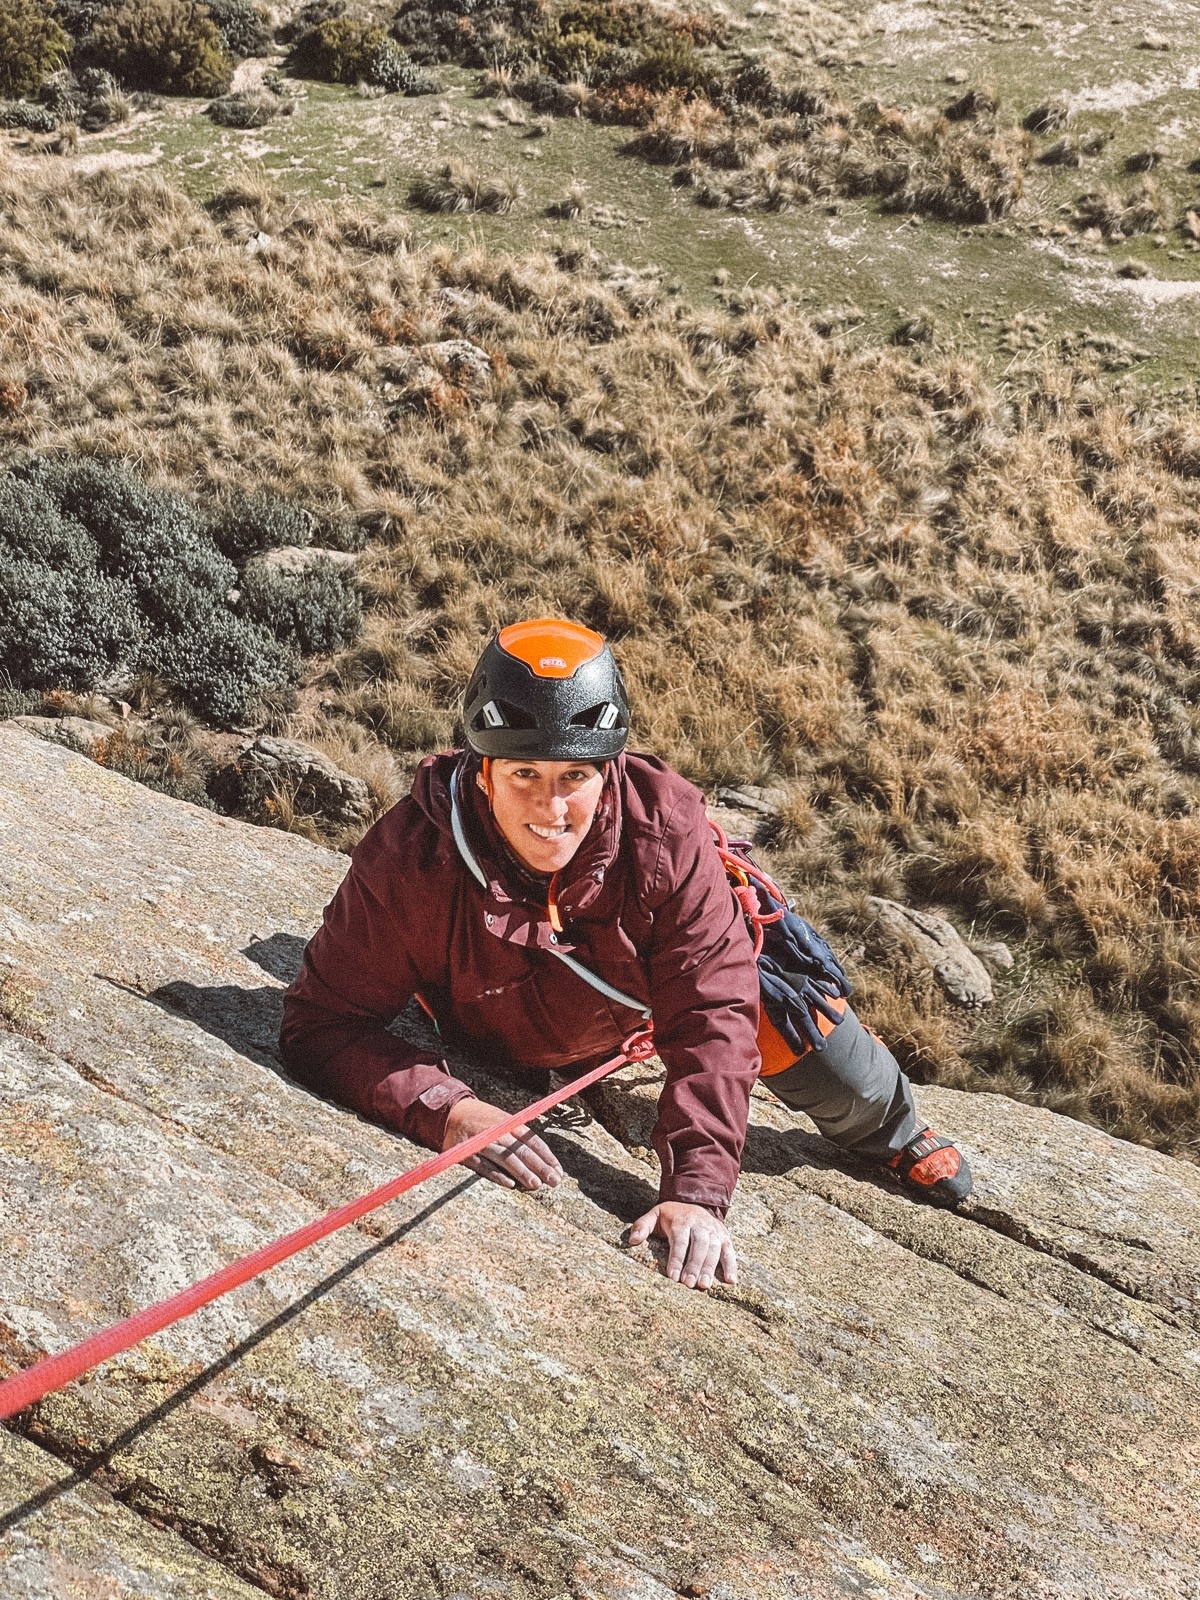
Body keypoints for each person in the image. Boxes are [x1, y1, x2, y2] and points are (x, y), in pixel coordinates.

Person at [280, 618, 971, 1293]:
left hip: (648, 993)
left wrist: (697, 1192)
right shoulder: (411, 858)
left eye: (574, 777)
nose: (550, 808)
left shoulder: (667, 836)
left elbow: (713, 1008)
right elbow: (321, 1024)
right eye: (524, 773)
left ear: (609, 777)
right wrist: (448, 1109)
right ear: (481, 771)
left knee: (831, 1066)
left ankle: (895, 1129)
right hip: (502, 1013)